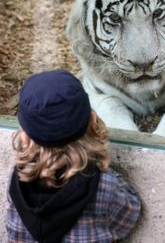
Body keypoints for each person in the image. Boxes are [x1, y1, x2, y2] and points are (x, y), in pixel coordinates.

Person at [6, 69, 141, 243]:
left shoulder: (16, 178)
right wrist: (106, 170)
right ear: (92, 121)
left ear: (25, 136)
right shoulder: (104, 185)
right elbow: (129, 216)